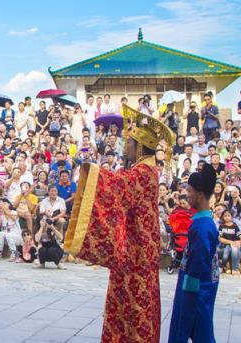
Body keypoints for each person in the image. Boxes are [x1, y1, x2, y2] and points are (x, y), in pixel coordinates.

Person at [64, 104, 175, 342]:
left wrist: (90, 170)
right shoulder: (147, 170)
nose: (127, 148)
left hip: (137, 252)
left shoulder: (143, 172)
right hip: (140, 246)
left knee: (134, 303)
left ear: (141, 147)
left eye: (131, 144)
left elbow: (118, 186)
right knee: (132, 301)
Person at [169, 165, 220, 342]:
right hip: (200, 288)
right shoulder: (203, 222)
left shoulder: (203, 227)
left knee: (200, 334)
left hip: (197, 291)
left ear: (199, 194)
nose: (186, 195)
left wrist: (187, 299)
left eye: (189, 191)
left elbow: (197, 268)